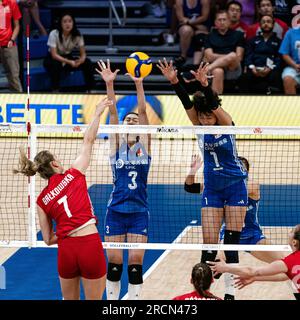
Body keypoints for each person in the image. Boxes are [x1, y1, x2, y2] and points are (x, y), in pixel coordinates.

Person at [157, 59, 248, 300]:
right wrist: (175, 81)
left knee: (231, 244)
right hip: (213, 188)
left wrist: (206, 86)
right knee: (208, 246)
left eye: (209, 117)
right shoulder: (198, 126)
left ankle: (229, 294)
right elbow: (186, 103)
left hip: (236, 186)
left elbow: (215, 105)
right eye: (202, 117)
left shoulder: (227, 124)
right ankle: (201, 293)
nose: (206, 121)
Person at [13, 98, 112, 300]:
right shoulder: (74, 173)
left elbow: (49, 239)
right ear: (55, 164)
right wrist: (97, 114)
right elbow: (89, 140)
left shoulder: (42, 200)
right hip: (88, 244)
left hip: (66, 250)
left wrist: (67, 230)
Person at [184, 154, 285, 299]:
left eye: (239, 168)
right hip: (229, 237)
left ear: (245, 172)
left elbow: (239, 189)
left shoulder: (252, 186)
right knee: (210, 265)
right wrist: (192, 172)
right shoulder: (221, 187)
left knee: (286, 265)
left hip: (253, 237)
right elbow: (189, 187)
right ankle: (216, 294)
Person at [96, 59, 151, 300]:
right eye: (127, 120)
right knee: (115, 265)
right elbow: (113, 112)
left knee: (136, 264)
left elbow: (142, 111)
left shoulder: (145, 147)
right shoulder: (115, 147)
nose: (131, 121)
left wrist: (139, 83)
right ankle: (113, 304)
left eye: (134, 121)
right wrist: (110, 84)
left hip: (139, 211)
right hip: (116, 211)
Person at [209, 224, 300, 300]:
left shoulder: (288, 262)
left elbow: (252, 271)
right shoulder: (288, 264)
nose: (289, 232)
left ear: (294, 242)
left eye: (291, 231)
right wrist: (255, 278)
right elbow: (283, 276)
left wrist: (225, 268)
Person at [43, 12, 95, 92]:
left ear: (73, 23)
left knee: (87, 62)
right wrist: (69, 62)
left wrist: (80, 61)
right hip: (53, 58)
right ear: (60, 23)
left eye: (70, 21)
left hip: (68, 57)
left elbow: (83, 54)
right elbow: (54, 55)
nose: (67, 24)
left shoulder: (77, 35)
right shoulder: (54, 33)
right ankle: (55, 90)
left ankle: (90, 89)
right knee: (55, 65)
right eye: (65, 21)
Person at [203, 10, 245, 94]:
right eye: (219, 20)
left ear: (229, 21)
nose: (222, 22)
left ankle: (207, 69)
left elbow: (239, 57)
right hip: (215, 66)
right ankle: (216, 104)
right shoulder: (209, 36)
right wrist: (226, 58)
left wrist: (228, 58)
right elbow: (209, 56)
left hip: (233, 67)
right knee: (218, 71)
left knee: (233, 56)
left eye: (224, 19)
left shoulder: (239, 34)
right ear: (215, 22)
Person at [239, 14, 282, 94]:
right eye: (263, 22)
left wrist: (270, 68)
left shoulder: (278, 41)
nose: (266, 24)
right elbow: (248, 56)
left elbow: (278, 58)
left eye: (269, 22)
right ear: (260, 25)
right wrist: (252, 68)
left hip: (270, 69)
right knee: (244, 78)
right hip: (255, 69)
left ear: (273, 24)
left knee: (276, 77)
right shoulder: (252, 40)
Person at [174, 0, 210, 66]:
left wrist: (190, 23)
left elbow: (204, 17)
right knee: (186, 30)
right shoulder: (179, 1)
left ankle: (196, 65)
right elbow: (181, 18)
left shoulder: (204, 1)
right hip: (187, 25)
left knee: (201, 35)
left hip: (201, 25)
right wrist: (192, 24)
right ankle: (183, 56)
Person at [0, 0, 23, 92]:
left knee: (14, 75)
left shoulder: (11, 3)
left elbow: (17, 26)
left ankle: (20, 101)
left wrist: (12, 39)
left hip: (8, 44)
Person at [279, 27, 300, 94]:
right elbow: (285, 54)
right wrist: (295, 65)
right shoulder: (290, 33)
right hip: (294, 66)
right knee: (288, 79)